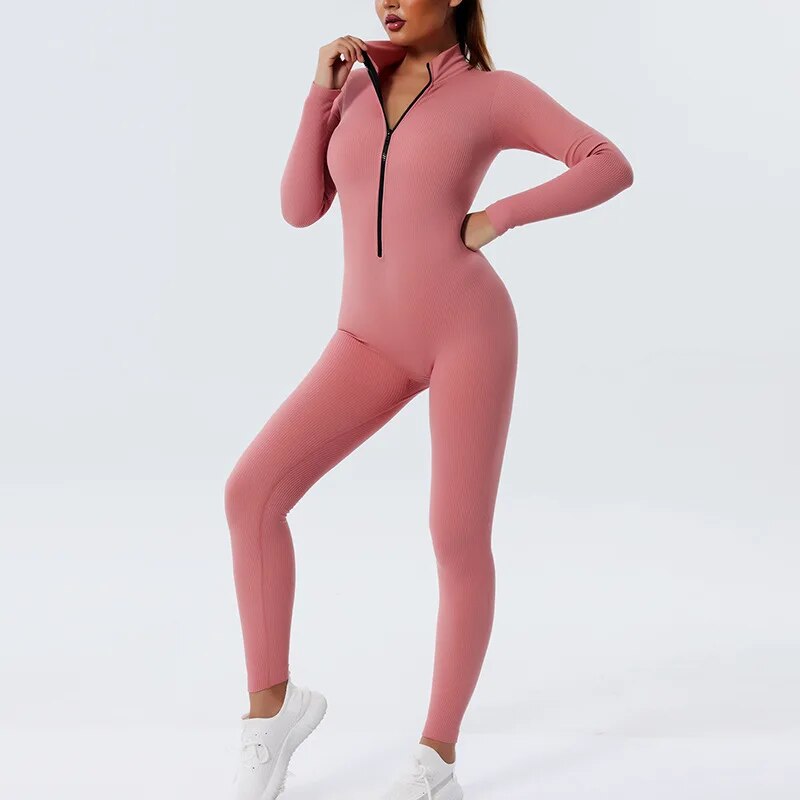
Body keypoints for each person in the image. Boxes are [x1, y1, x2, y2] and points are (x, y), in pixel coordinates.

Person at [225, 2, 634, 798]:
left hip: (466, 333)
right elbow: (300, 209)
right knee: (251, 493)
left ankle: (435, 759)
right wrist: (319, 94)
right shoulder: (353, 83)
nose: (387, 1)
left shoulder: (492, 93)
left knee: (455, 537)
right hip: (366, 339)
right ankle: (272, 712)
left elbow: (606, 163)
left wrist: (498, 217)